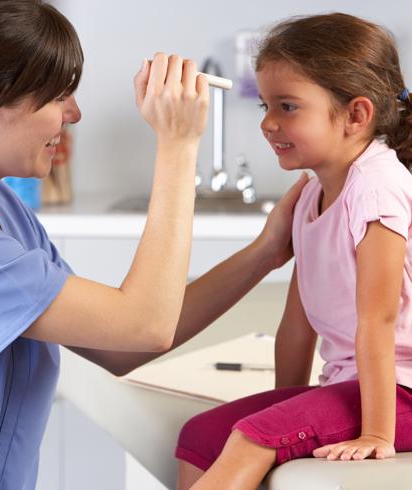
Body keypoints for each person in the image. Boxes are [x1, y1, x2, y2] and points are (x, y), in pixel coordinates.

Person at [0, 0, 308, 488]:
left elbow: (122, 343)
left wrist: (266, 251)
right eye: (57, 96)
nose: (74, 113)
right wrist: (177, 144)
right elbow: (144, 325)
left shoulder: (4, 213)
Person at [176, 12, 412, 490]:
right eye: (266, 104)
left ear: (356, 115)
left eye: (287, 106)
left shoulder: (377, 188)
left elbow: (378, 319)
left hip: (400, 393)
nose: (267, 122)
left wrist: (375, 434)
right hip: (350, 390)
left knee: (252, 438)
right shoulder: (309, 197)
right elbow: (296, 324)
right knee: (199, 437)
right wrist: (287, 400)